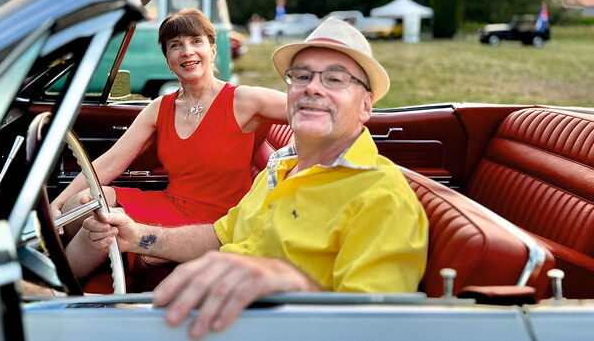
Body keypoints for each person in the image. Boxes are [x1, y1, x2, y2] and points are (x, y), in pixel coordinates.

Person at [81, 17, 429, 339]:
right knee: (42, 304)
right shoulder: (278, 170)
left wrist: (293, 287)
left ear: (366, 106)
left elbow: (377, 328)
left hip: (238, 328)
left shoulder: (381, 197)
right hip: (187, 317)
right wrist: (138, 236)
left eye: (335, 79)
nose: (313, 89)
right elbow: (216, 238)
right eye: (302, 76)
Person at [52, 8, 287, 278]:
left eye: (196, 41)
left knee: (102, 225)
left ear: (212, 50)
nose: (187, 51)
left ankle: (55, 291)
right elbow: (112, 160)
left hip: (218, 219)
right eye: (176, 45)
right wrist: (56, 203)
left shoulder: (244, 100)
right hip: (171, 202)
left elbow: (308, 109)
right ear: (168, 58)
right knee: (81, 203)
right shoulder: (159, 108)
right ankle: (63, 274)